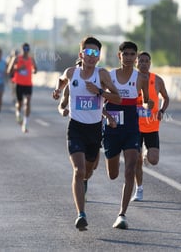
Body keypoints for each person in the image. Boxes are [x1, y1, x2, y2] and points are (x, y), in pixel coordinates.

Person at [52, 36, 121, 231]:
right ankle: (81, 214)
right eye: (88, 53)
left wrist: (99, 92)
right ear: (81, 54)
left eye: (95, 53)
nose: (91, 56)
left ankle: (84, 183)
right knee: (78, 170)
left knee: (89, 171)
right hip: (75, 128)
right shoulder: (71, 72)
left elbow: (118, 98)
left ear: (98, 57)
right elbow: (61, 80)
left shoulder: (102, 76)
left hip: (95, 129)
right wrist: (57, 91)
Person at [103, 41, 153, 229]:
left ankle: (122, 214)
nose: (130, 57)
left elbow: (146, 100)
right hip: (112, 127)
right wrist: (107, 116)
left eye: (133, 54)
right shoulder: (108, 76)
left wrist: (149, 106)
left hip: (132, 127)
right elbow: (99, 99)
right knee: (113, 174)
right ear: (119, 56)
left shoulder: (141, 78)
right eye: (126, 54)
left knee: (131, 168)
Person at [131, 51, 170, 201]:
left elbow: (166, 98)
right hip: (134, 126)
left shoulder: (157, 80)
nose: (143, 63)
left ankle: (147, 154)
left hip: (152, 126)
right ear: (136, 63)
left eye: (146, 61)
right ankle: (139, 189)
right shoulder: (131, 79)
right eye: (141, 61)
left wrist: (162, 110)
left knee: (153, 160)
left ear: (150, 63)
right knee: (136, 160)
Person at [7, 43, 38, 133]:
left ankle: (25, 123)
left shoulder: (31, 59)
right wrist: (19, 69)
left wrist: (34, 70)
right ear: (22, 50)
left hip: (28, 84)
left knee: (28, 102)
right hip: (19, 84)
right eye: (24, 49)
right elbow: (9, 71)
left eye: (27, 49)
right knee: (19, 103)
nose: (26, 51)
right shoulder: (16, 59)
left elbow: (35, 69)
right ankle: (18, 114)